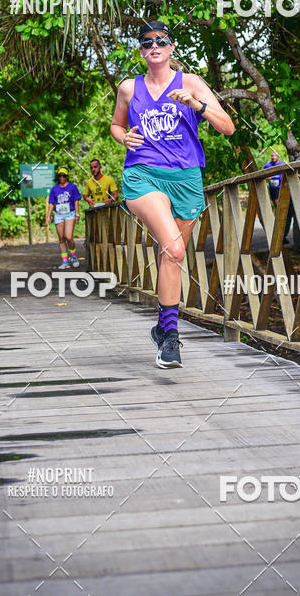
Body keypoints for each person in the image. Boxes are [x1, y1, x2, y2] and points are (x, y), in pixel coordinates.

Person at [110, 20, 235, 369]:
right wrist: (124, 138)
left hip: (186, 178)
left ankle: (162, 329)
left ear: (171, 48)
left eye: (161, 41)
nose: (154, 47)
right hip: (143, 174)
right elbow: (117, 125)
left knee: (172, 257)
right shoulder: (129, 88)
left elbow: (227, 126)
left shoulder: (192, 83)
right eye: (147, 42)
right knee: (174, 247)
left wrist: (197, 105)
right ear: (140, 50)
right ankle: (171, 341)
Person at [46, 168, 81, 269]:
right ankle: (65, 261)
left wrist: (77, 214)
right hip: (58, 214)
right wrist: (48, 216)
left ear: (67, 176)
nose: (62, 177)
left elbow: (76, 200)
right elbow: (51, 203)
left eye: (64, 175)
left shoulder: (72, 187)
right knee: (61, 238)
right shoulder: (54, 189)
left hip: (70, 213)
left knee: (68, 236)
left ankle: (73, 256)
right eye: (60, 175)